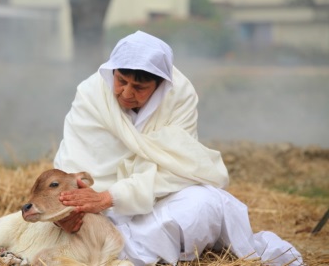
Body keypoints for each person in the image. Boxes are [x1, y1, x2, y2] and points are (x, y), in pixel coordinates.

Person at [54, 31, 303, 266]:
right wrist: (70, 211)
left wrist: (111, 197)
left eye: (139, 88)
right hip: (96, 215)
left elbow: (179, 167)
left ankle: (116, 249)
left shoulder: (180, 95)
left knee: (209, 203)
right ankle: (113, 245)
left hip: (155, 202)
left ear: (160, 85)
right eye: (121, 81)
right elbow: (73, 164)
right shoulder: (90, 94)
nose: (126, 93)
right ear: (112, 72)